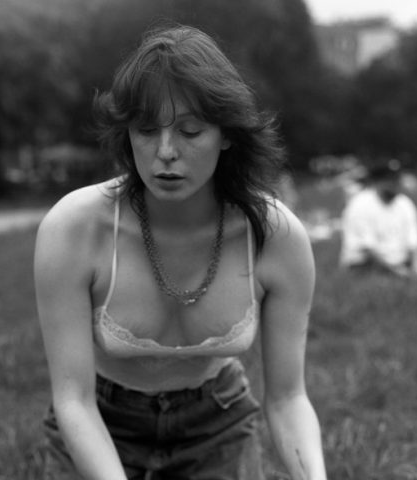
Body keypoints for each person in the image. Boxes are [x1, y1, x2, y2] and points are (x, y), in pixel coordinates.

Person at [33, 24, 327, 480]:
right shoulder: (74, 229)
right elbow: (73, 400)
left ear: (226, 134)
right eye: (147, 130)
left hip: (217, 423)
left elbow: (288, 398)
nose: (166, 152)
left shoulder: (275, 236)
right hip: (100, 425)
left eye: (190, 131)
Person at [338, 162, 417, 278]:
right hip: (364, 263)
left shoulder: (404, 203)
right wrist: (398, 272)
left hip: (398, 261)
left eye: (396, 179)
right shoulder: (360, 204)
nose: (394, 184)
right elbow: (368, 248)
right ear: (378, 181)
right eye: (390, 180)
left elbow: (415, 240)